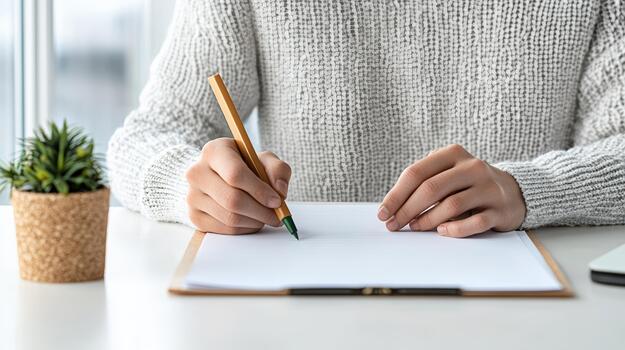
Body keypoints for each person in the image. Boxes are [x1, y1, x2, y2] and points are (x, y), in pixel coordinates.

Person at [108, 0, 625, 238]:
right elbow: (149, 133)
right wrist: (190, 186)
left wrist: (529, 188)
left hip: (529, 318)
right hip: (298, 314)